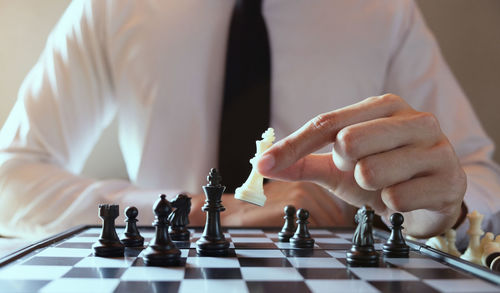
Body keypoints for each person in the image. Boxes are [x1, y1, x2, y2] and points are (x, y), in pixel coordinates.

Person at [0, 0, 499, 249]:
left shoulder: (387, 11)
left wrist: (438, 212)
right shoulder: (111, 6)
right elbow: (10, 178)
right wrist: (201, 210)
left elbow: (477, 176)